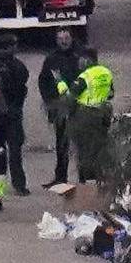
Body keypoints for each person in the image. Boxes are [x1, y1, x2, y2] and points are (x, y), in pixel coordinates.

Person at [0, 34, 32, 196]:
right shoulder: (17, 66)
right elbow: (22, 88)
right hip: (11, 113)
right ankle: (18, 185)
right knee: (14, 151)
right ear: (10, 47)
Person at [39, 28, 84, 186]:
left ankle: (85, 179)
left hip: (79, 107)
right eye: (60, 39)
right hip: (60, 108)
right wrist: (49, 101)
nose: (64, 41)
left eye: (66, 38)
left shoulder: (80, 57)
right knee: (62, 144)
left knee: (82, 145)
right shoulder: (51, 59)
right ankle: (60, 178)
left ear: (72, 39)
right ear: (56, 41)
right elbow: (43, 81)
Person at [67, 49, 115, 182]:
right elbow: (111, 94)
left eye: (81, 59)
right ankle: (100, 180)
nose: (79, 62)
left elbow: (71, 96)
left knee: (85, 151)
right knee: (100, 149)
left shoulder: (85, 76)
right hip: (104, 114)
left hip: (86, 116)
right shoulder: (105, 72)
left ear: (88, 60)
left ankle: (87, 183)